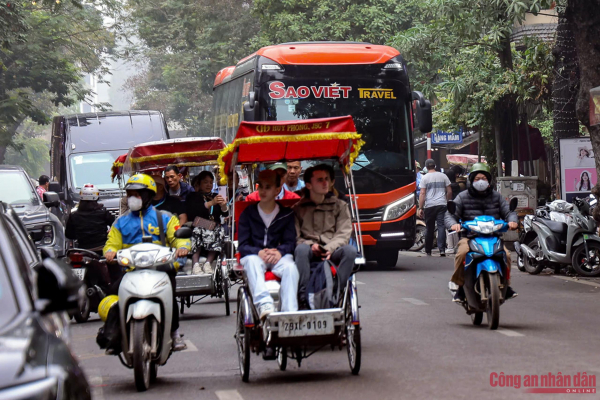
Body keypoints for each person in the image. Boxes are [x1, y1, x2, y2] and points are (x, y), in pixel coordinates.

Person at [103, 174, 190, 351]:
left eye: (138, 194)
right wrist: (110, 253)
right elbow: (111, 243)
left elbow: (178, 237)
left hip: (161, 268)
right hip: (132, 270)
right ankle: (114, 334)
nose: (133, 198)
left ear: (148, 195)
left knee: (170, 296)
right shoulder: (120, 222)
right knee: (113, 295)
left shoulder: (165, 217)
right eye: (130, 194)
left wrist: (182, 248)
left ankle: (174, 333)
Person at [444, 163, 519, 303]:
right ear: (471, 180)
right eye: (477, 178)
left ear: (489, 180)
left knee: (507, 255)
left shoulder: (496, 197)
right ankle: (460, 287)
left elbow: (509, 212)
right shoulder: (462, 197)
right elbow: (450, 214)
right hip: (469, 237)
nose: (480, 181)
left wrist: (512, 221)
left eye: (483, 178)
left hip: (493, 237)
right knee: (461, 254)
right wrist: (453, 224)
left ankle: (506, 286)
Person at [238, 169, 299, 319]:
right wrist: (258, 252)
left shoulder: (286, 214)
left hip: (278, 256)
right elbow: (243, 245)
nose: (263, 191)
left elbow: (290, 242)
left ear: (277, 190)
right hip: (255, 256)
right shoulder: (248, 213)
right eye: (261, 187)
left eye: (268, 187)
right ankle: (264, 304)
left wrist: (279, 252)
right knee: (251, 262)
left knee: (291, 268)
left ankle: (289, 312)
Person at [294, 164, 356, 309]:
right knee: (301, 249)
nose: (325, 183)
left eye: (327, 179)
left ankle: (337, 293)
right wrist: (311, 245)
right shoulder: (298, 208)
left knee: (350, 251)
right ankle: (302, 297)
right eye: (320, 180)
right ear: (308, 185)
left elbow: (343, 233)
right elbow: (295, 236)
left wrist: (329, 248)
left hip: (333, 250)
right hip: (308, 250)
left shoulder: (340, 205)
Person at [182, 171, 228, 275]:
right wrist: (211, 203)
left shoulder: (216, 195)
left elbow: (225, 214)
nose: (209, 185)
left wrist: (223, 206)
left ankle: (208, 263)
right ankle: (195, 263)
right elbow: (193, 213)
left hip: (214, 226)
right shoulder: (193, 196)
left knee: (218, 228)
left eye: (211, 182)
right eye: (206, 182)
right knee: (199, 229)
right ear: (199, 183)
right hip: (197, 222)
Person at [66, 184, 115, 253]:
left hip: (82, 249)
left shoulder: (74, 215)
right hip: (102, 248)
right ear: (96, 197)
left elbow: (69, 234)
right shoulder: (103, 212)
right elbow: (115, 225)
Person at [418, 159, 451, 256]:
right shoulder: (443, 176)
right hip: (442, 204)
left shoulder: (425, 178)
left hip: (430, 206)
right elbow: (449, 191)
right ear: (435, 166)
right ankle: (442, 250)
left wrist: (420, 208)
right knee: (441, 226)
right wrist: (447, 201)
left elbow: (422, 193)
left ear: (426, 167)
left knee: (429, 228)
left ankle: (428, 250)